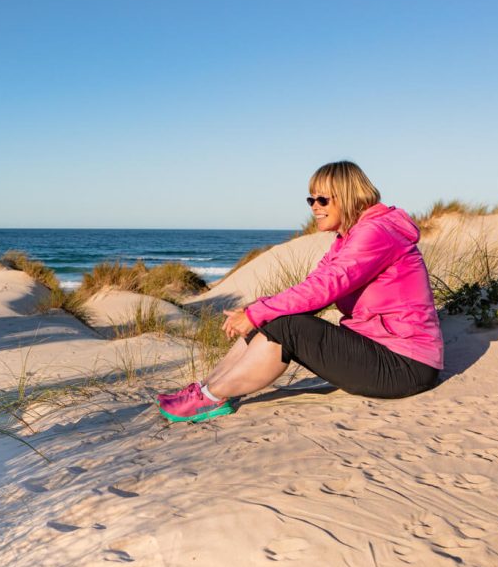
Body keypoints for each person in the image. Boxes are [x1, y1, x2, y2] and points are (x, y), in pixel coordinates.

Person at [158, 160, 443, 423]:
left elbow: (324, 288)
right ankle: (207, 389)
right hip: (378, 350)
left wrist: (257, 312)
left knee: (286, 326)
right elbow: (315, 285)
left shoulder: (375, 234)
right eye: (311, 199)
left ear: (347, 197)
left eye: (322, 199)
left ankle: (212, 397)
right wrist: (258, 311)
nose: (314, 207)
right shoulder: (347, 239)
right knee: (274, 317)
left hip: (406, 366)